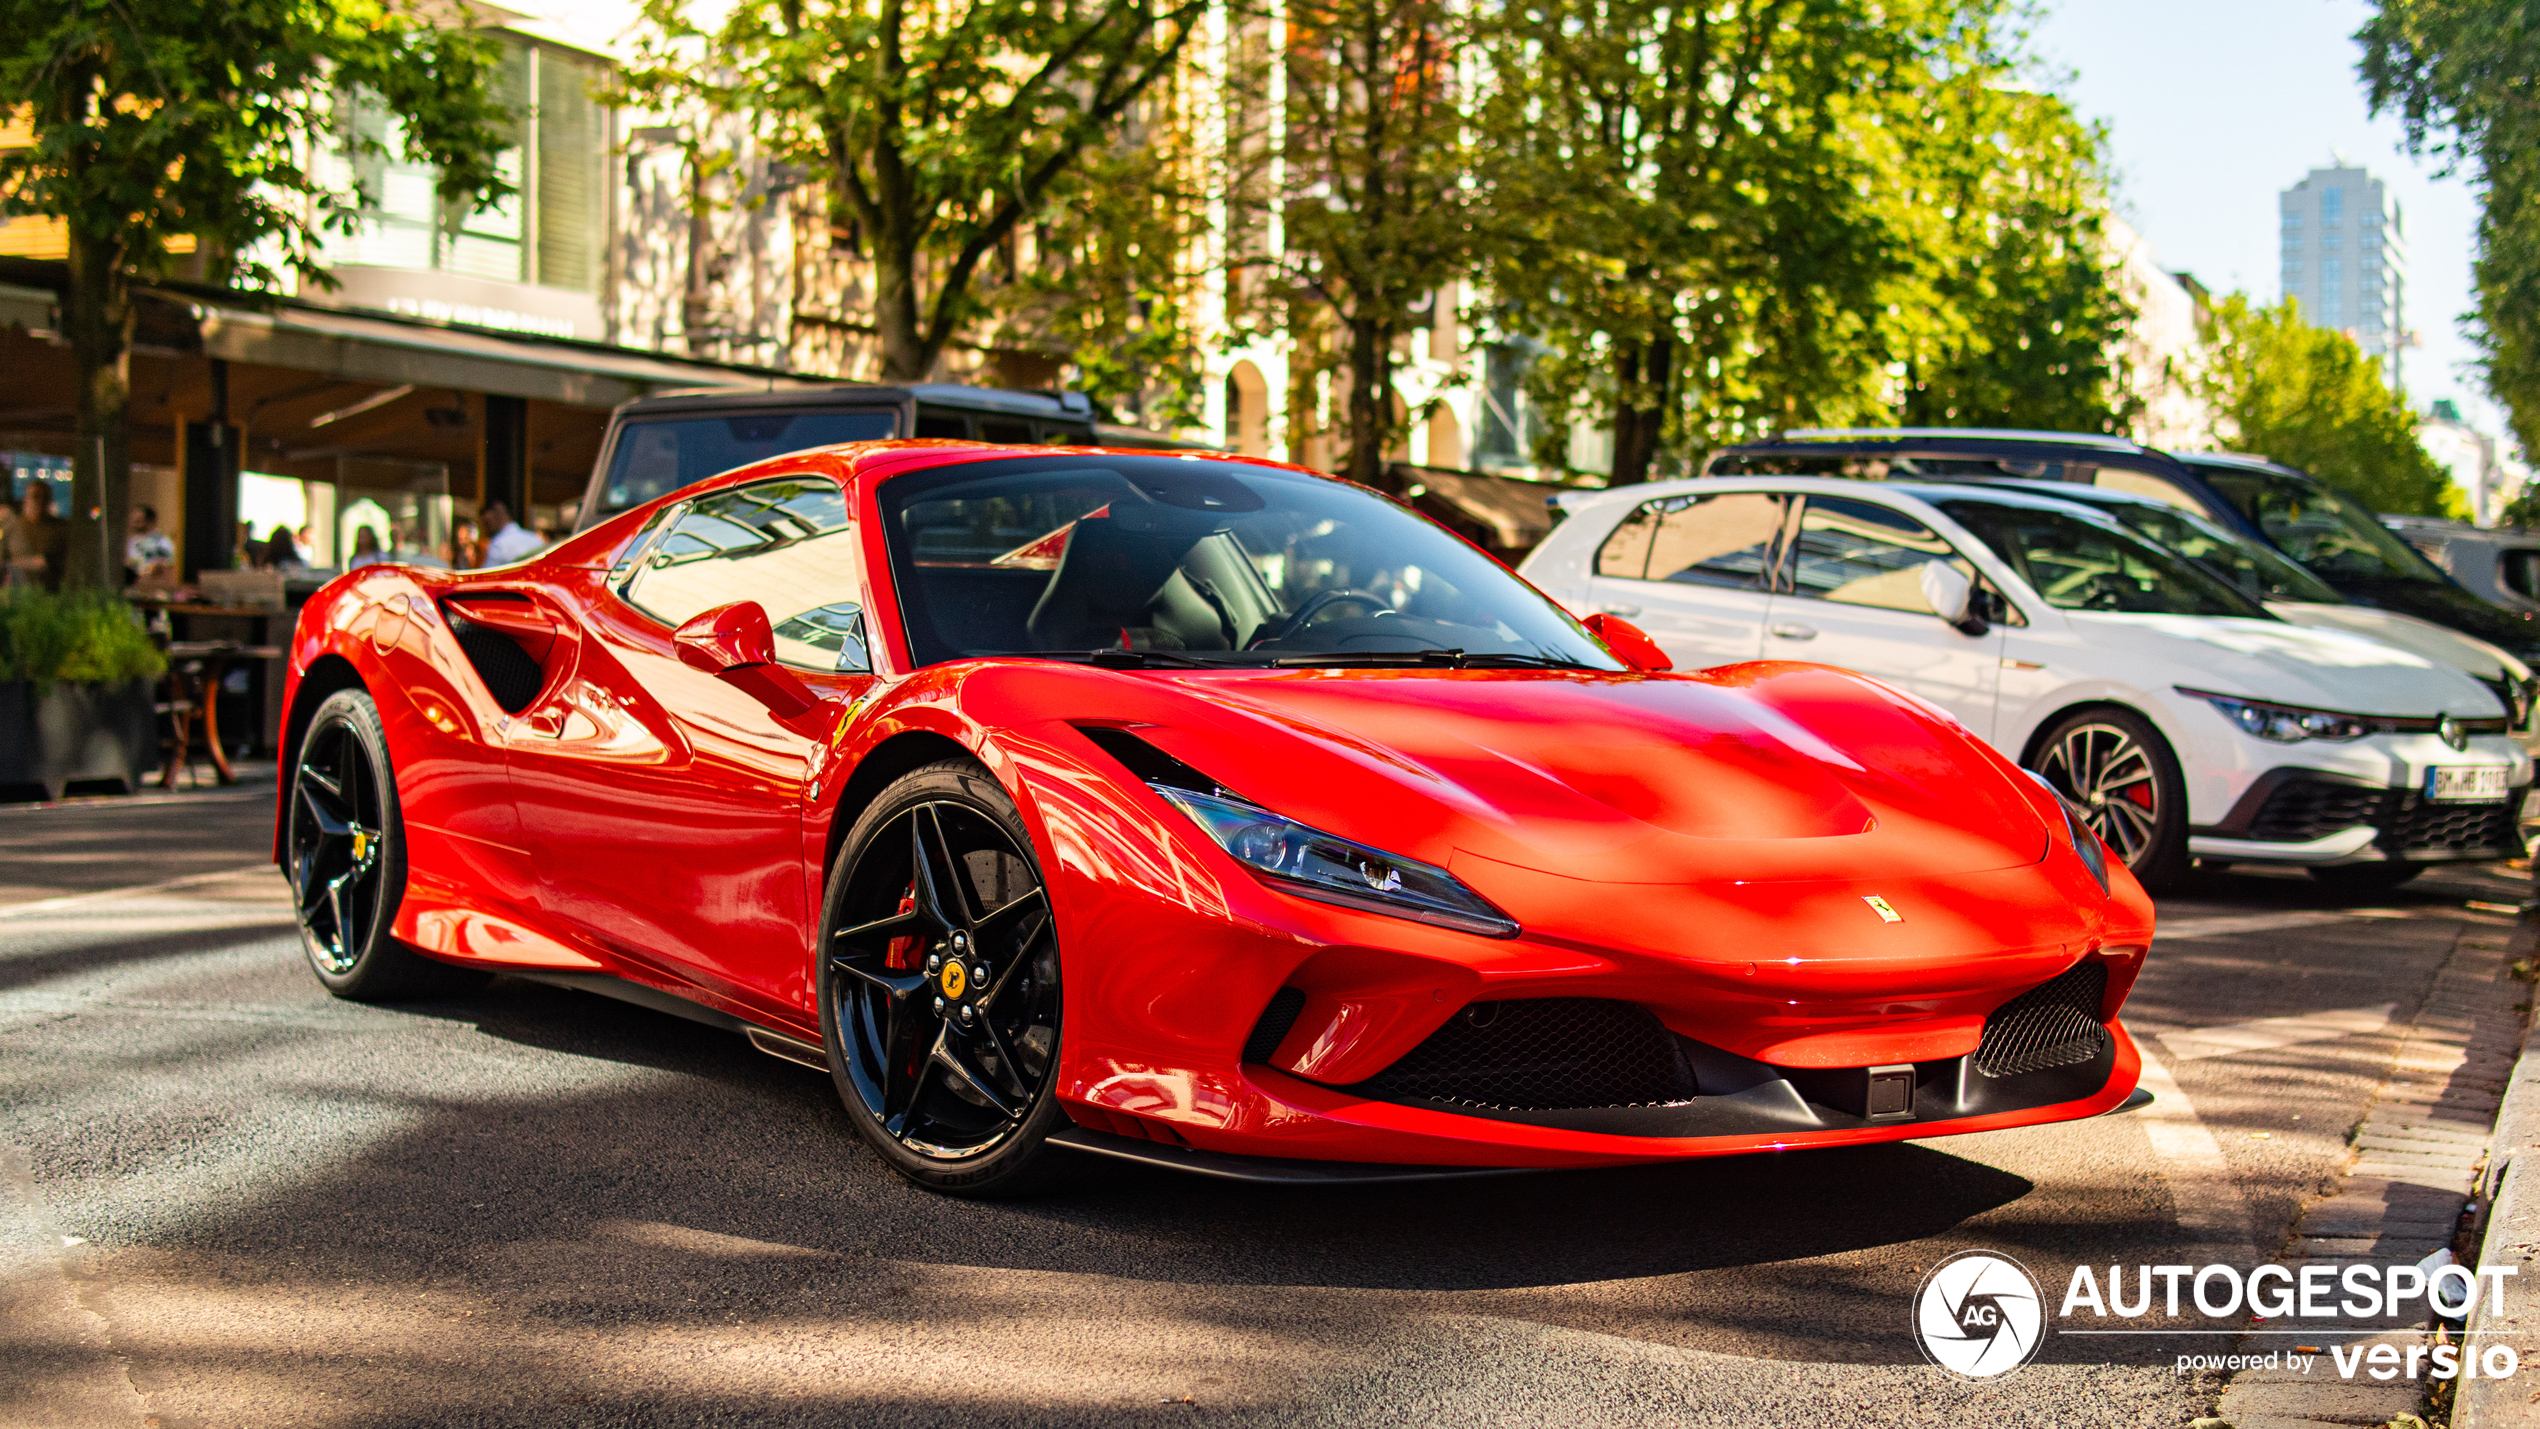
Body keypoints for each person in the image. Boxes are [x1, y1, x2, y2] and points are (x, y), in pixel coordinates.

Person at [4, 483, 68, 592]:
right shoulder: (11, 527)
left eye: (45, 497)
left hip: (49, 593)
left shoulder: (61, 529)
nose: (40, 501)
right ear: (25, 499)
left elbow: (54, 561)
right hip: (16, 592)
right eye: (36, 496)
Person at [478, 500, 544, 566]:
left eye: (486, 523)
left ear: (498, 516)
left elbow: (488, 574)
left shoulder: (498, 545)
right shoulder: (535, 539)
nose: (485, 529)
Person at [126, 505, 174, 584]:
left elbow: (167, 571)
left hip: (154, 589)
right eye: (132, 520)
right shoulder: (132, 541)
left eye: (138, 521)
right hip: (134, 588)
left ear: (149, 521)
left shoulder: (162, 542)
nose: (133, 524)